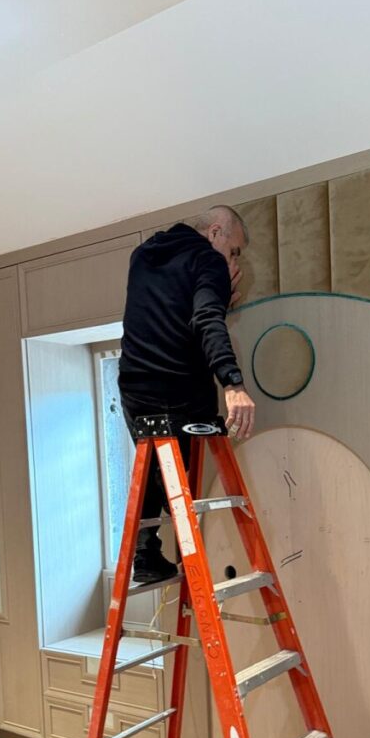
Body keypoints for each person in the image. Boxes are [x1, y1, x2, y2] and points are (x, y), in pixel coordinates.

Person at [118, 205, 256, 585]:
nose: (231, 259)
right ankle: (192, 566)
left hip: (133, 384)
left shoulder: (144, 255)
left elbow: (172, 314)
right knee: (182, 478)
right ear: (215, 232)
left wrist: (213, 292)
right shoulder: (207, 261)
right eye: (234, 250)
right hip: (177, 387)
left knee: (154, 465)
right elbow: (206, 320)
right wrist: (234, 385)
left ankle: (146, 552)